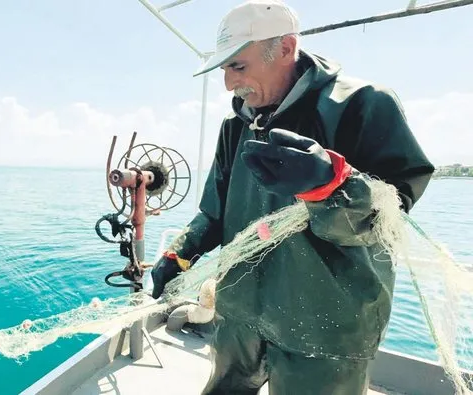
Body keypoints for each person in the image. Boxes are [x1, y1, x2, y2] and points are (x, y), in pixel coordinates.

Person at [149, 1, 436, 394]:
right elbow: (213, 211)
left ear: (285, 49)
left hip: (325, 328)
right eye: (225, 69)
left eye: (239, 66)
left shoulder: (365, 104)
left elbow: (389, 214)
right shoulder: (236, 127)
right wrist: (180, 252)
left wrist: (332, 185)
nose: (229, 84)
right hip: (240, 313)